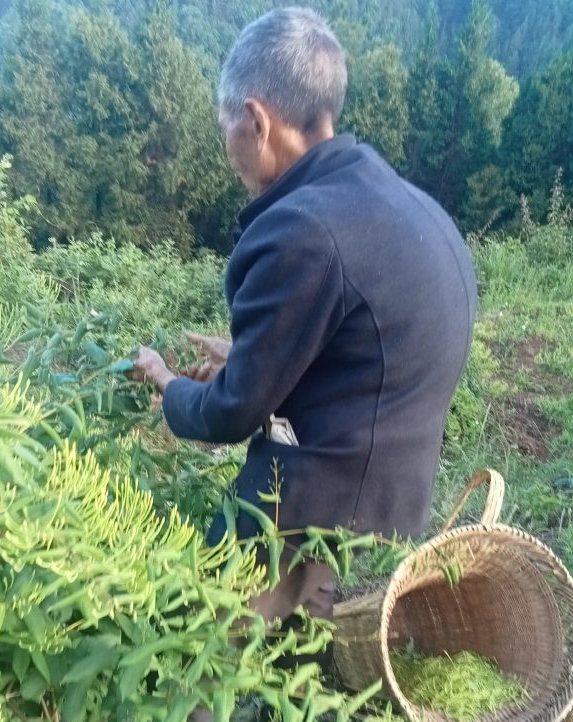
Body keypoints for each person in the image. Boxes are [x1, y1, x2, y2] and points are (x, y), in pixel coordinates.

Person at [130, 6, 477, 625]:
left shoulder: (299, 231)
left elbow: (231, 413)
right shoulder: (413, 206)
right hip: (395, 492)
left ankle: (206, 710)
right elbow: (370, 348)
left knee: (199, 636)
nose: (228, 149)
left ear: (256, 120)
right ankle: (304, 643)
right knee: (305, 632)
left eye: (225, 127)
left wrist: (168, 383)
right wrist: (249, 355)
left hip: (318, 498)